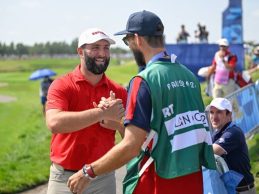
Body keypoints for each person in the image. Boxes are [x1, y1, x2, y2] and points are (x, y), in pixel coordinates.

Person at [67, 10, 216, 194]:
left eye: (127, 41)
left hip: (157, 181)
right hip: (192, 180)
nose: (129, 47)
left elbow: (131, 146)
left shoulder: (143, 80)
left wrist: (88, 171)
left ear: (137, 39)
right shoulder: (188, 75)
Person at [45, 28, 127, 194]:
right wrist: (102, 113)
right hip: (64, 180)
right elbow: (54, 123)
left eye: (106, 48)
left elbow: (132, 140)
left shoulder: (118, 91)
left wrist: (118, 125)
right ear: (80, 52)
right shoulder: (62, 85)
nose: (102, 53)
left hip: (103, 177)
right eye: (95, 48)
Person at [206, 98, 256, 194]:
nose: (214, 117)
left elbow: (211, 151)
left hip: (243, 191)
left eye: (219, 112)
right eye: (211, 112)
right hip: (230, 190)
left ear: (229, 115)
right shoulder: (217, 133)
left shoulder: (233, 132)